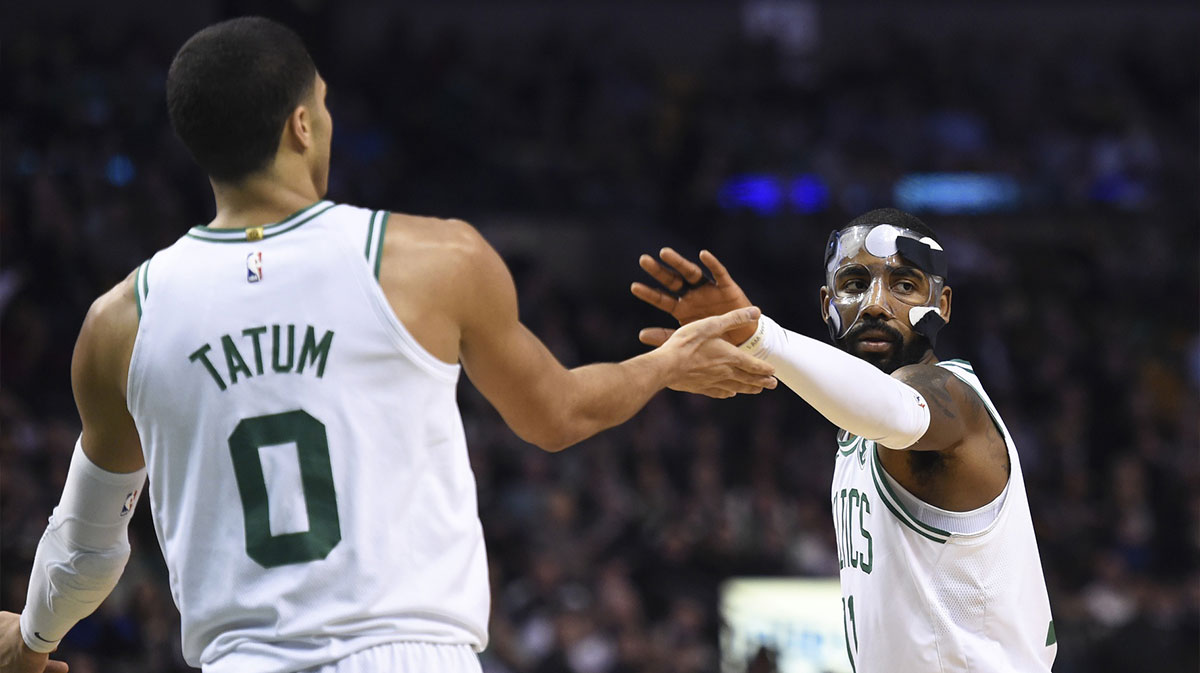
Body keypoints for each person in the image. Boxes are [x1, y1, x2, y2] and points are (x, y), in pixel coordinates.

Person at [0, 17, 779, 673]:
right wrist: (667, 361)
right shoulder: (433, 259)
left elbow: (87, 547)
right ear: (301, 124)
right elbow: (557, 414)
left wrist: (31, 638)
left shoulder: (119, 321)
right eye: (324, 103)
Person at [632, 208, 1056, 672]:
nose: (875, 304)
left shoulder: (950, 398)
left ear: (944, 304)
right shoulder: (856, 427)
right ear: (826, 303)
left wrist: (760, 337)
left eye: (904, 285)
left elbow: (897, 408)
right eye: (854, 284)